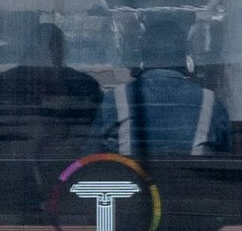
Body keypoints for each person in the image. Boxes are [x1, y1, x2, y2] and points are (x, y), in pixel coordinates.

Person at [97, 14, 234, 156]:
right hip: (193, 178)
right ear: (186, 59)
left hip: (132, 176)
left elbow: (90, 158)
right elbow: (226, 158)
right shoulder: (210, 103)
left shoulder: (115, 99)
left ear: (143, 58)